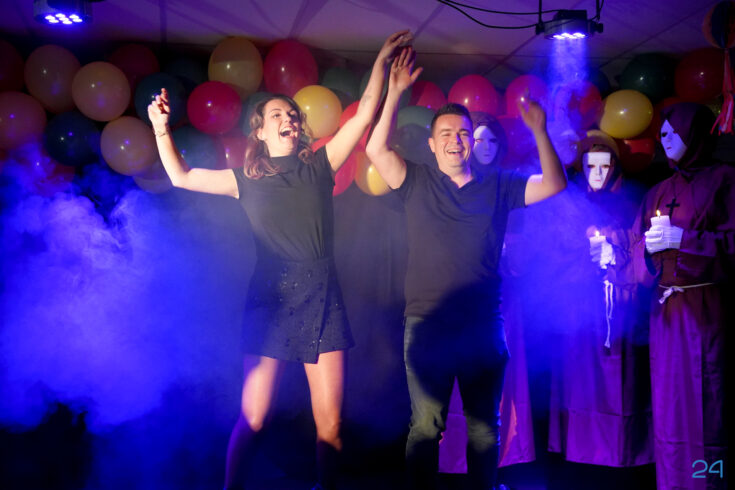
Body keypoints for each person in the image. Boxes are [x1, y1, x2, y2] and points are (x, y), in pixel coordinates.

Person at [147, 31, 412, 490]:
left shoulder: (321, 165)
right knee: (254, 418)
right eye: (277, 115)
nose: (289, 118)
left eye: (292, 114)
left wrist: (383, 61)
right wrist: (159, 127)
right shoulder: (245, 180)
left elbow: (365, 111)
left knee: (330, 425)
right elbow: (181, 176)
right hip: (271, 300)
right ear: (261, 131)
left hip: (322, 298)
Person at [365, 49, 566, 490]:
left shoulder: (499, 184)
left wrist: (540, 131)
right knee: (426, 427)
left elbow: (554, 183)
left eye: (463, 133)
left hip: (481, 326)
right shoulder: (416, 180)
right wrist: (395, 92)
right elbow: (375, 149)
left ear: (472, 142)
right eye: (446, 134)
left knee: (484, 427)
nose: (456, 140)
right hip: (427, 323)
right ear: (432, 144)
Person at [627, 102, 732, 490]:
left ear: (696, 134)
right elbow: (637, 248)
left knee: (711, 404)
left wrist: (684, 239)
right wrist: (646, 252)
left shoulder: (725, 181)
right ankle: (674, 483)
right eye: (663, 132)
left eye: (674, 130)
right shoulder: (658, 191)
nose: (665, 138)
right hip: (667, 316)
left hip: (707, 313)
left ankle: (710, 481)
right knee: (670, 406)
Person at [547, 139, 654, 468]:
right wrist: (585, 257)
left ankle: (621, 450)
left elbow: (643, 255)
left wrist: (617, 256)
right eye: (591, 166)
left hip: (619, 308)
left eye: (604, 166)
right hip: (581, 309)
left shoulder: (630, 205)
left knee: (619, 376)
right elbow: (552, 259)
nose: (597, 173)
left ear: (615, 169)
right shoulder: (570, 207)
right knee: (581, 378)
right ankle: (580, 450)